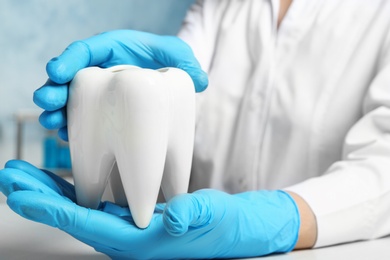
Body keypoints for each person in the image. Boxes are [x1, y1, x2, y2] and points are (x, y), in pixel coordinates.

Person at [1, 0, 390, 258]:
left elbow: (382, 169)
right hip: (173, 239)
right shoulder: (222, 5)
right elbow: (179, 97)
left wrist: (272, 220)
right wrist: (120, 95)